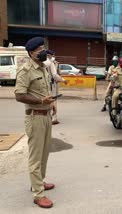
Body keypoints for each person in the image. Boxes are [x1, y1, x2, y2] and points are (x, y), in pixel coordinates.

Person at [14, 37, 56, 209]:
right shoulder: (26, 70)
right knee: (36, 157)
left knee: (45, 153)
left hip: (46, 116)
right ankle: (38, 194)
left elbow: (44, 91)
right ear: (31, 53)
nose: (43, 51)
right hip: (35, 116)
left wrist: (51, 103)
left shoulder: (44, 68)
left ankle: (38, 182)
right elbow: (19, 95)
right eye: (39, 49)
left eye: (43, 47)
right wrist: (41, 102)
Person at [43, 50, 68, 125]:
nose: (53, 57)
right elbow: (54, 75)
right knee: (53, 100)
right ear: (48, 55)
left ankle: (48, 117)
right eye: (52, 55)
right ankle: (54, 118)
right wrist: (63, 80)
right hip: (52, 84)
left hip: (45, 84)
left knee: (47, 100)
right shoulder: (50, 63)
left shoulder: (43, 62)